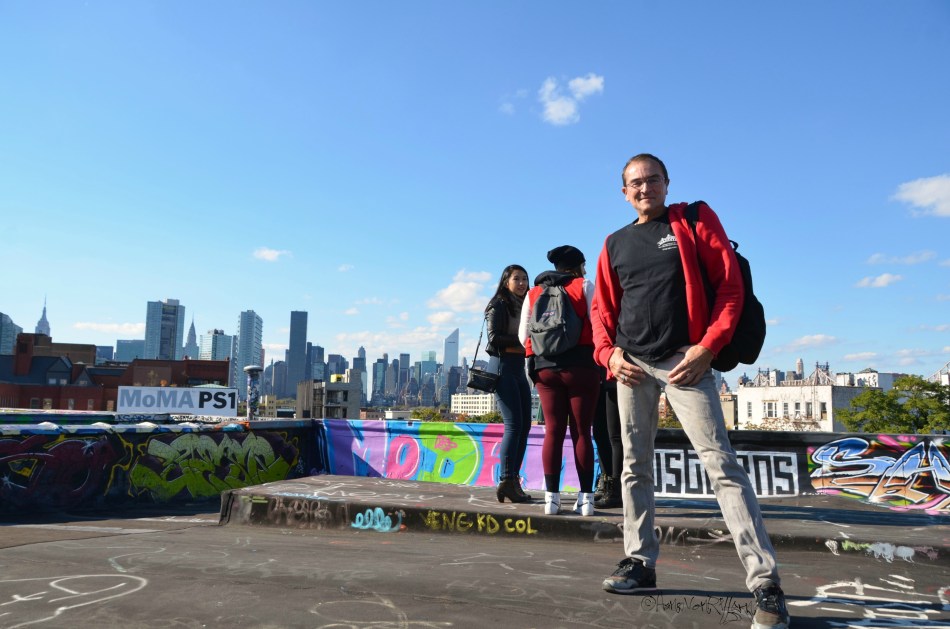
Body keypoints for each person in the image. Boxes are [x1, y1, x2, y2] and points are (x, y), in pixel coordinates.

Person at [590, 154, 790, 629]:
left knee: (721, 466)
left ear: (666, 183)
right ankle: (639, 562)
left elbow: (730, 288)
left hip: (686, 360)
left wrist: (706, 347)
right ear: (624, 192)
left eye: (652, 180)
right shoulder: (613, 243)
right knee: (633, 467)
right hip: (632, 366)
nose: (644, 189)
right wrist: (609, 357)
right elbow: (602, 310)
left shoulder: (693, 219)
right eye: (635, 183)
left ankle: (766, 583)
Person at [519, 246, 600, 516]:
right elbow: (599, 323)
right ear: (577, 266)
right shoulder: (584, 285)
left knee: (553, 430)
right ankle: (586, 499)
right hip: (582, 367)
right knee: (581, 432)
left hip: (544, 369)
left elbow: (523, 335)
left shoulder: (534, 292)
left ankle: (551, 500)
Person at [485, 264, 533, 503]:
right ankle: (506, 480)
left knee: (525, 426)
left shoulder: (525, 306)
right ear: (506, 282)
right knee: (513, 425)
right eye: (517, 279)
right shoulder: (499, 304)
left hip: (518, 368)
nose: (522, 283)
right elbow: (494, 338)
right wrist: (525, 339)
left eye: (525, 278)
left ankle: (513, 480)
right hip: (503, 367)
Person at [591, 373, 622, 509]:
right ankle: (606, 481)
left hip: (613, 378)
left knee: (615, 436)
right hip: (598, 378)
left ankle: (616, 490)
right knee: (599, 433)